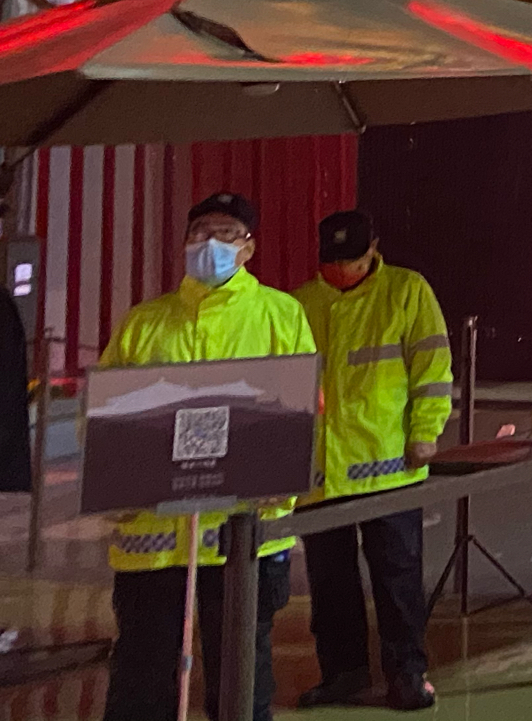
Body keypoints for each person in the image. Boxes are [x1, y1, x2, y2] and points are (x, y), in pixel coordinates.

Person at [101, 194, 317, 721]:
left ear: (248, 248)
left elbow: (304, 410)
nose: (210, 244)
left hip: (244, 536)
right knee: (140, 679)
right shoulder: (144, 321)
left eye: (226, 232)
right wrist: (111, 487)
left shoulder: (280, 315)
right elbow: (107, 420)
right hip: (153, 543)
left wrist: (282, 479)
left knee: (241, 682)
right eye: (199, 231)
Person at [293, 211, 453, 711]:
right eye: (333, 262)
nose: (342, 270)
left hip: (389, 466)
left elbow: (432, 367)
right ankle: (342, 672)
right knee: (329, 581)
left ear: (374, 249)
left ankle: (407, 672)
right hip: (319, 473)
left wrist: (425, 433)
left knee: (397, 576)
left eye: (353, 259)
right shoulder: (297, 304)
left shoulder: (406, 292)